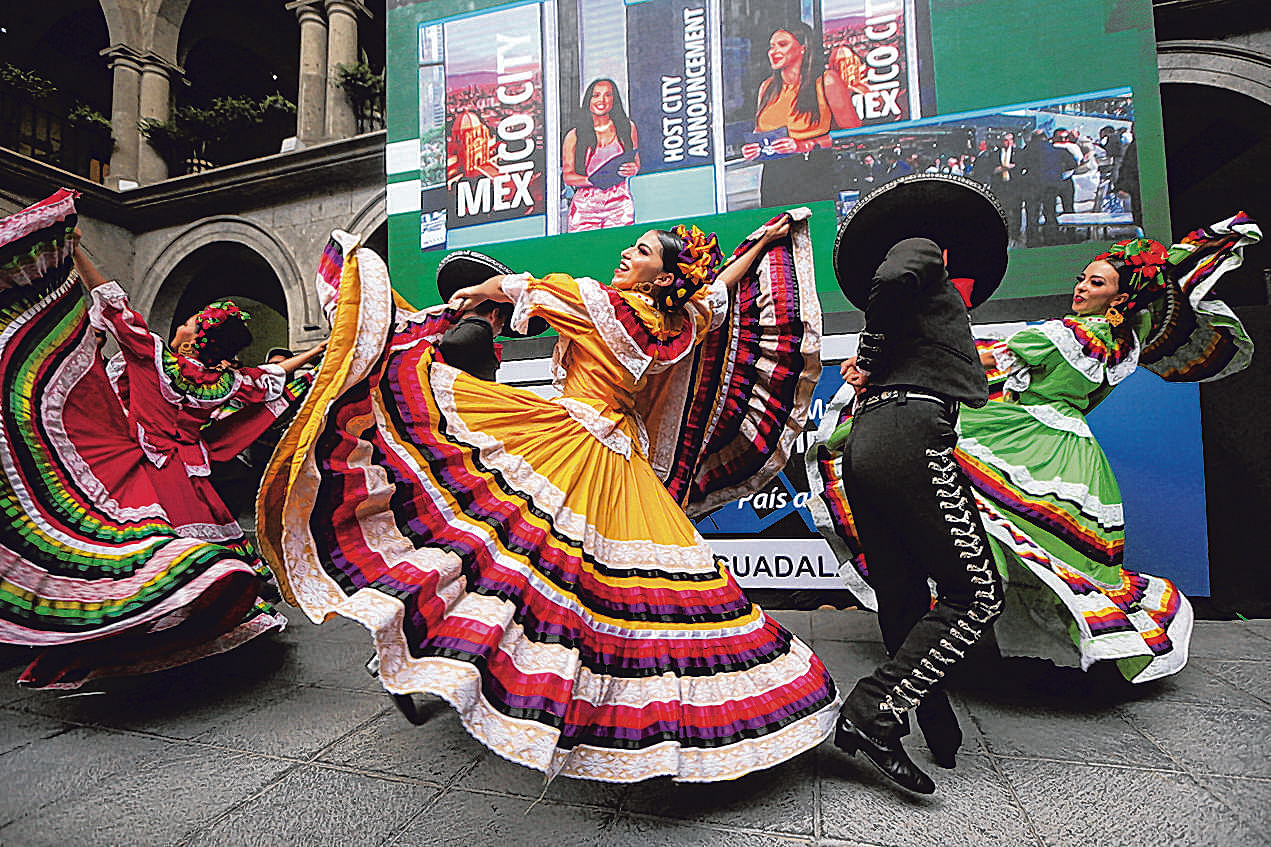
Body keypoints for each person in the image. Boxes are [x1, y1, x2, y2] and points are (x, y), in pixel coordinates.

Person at [257, 216, 839, 783]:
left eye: (640, 252)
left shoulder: (597, 303)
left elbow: (519, 287)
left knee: (498, 544)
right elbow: (716, 291)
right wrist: (761, 245)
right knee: (625, 585)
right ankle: (652, 710)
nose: (627, 256)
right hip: (624, 464)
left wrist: (474, 291)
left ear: (662, 276)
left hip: (567, 444)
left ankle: (475, 659)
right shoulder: (679, 324)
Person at [808, 213, 1259, 703]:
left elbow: (985, 360)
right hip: (1059, 450)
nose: (1082, 286)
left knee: (981, 537)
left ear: (1120, 297)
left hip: (1036, 447)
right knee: (1005, 550)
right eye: (1082, 278)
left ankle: (938, 657)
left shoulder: (1081, 335)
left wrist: (889, 362)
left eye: (1096, 281)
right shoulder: (1113, 342)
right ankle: (958, 653)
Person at [0, 190, 308, 689]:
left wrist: (76, 252)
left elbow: (115, 303)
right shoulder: (222, 382)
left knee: (136, 558)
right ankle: (203, 620)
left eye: (190, 319)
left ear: (197, 334)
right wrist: (314, 352)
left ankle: (134, 632)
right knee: (192, 560)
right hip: (197, 478)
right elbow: (271, 375)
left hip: (152, 471)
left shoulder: (157, 359)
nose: (184, 320)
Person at [828, 174, 1009, 795]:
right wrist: (873, 353)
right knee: (978, 594)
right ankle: (874, 709)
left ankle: (924, 719)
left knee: (903, 591)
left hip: (874, 438)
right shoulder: (921, 248)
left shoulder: (923, 297)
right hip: (910, 431)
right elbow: (889, 282)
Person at [741, 23, 859, 206]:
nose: (773, 51)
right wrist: (753, 149)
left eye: (782, 44)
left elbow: (853, 135)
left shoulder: (826, 80)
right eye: (771, 46)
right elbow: (760, 130)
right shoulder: (767, 87)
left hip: (813, 172)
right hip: (774, 177)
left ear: (803, 48)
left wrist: (804, 145)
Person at [562, 79, 639, 232]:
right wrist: (591, 180)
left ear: (614, 99)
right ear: (588, 100)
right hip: (586, 207)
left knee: (619, 248)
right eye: (596, 95)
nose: (601, 100)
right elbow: (568, 176)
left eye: (607, 95)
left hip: (620, 203)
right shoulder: (574, 135)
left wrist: (633, 168)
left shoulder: (627, 127)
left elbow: (636, 162)